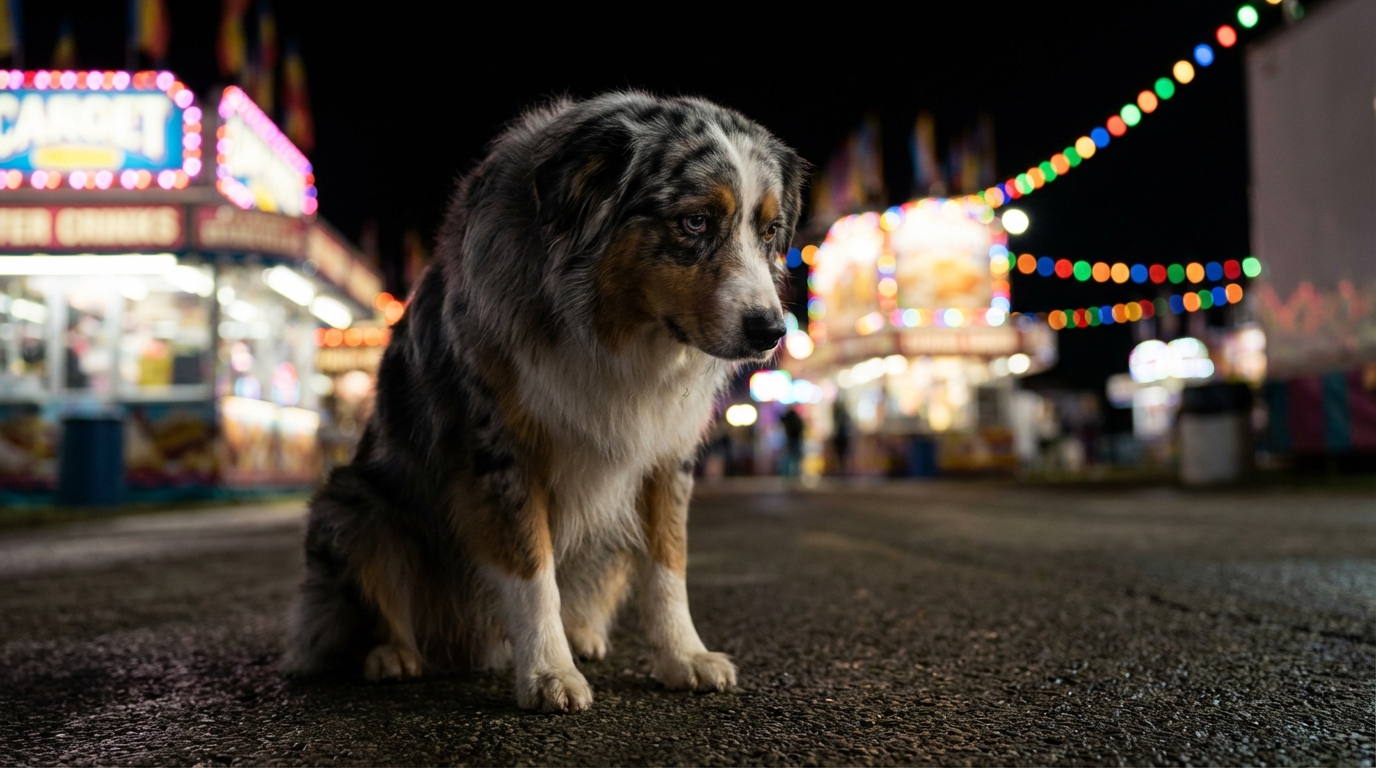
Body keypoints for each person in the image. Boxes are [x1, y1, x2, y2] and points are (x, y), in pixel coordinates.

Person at [779, 406, 804, 477]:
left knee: (788, 458)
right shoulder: (796, 419)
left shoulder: (787, 419)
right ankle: (793, 474)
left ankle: (787, 474)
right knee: (794, 458)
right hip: (795, 440)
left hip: (788, 440)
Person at [831, 399, 852, 476]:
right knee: (842, 454)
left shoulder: (838, 415)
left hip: (841, 437)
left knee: (842, 454)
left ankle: (842, 468)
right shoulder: (843, 415)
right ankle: (843, 468)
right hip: (842, 437)